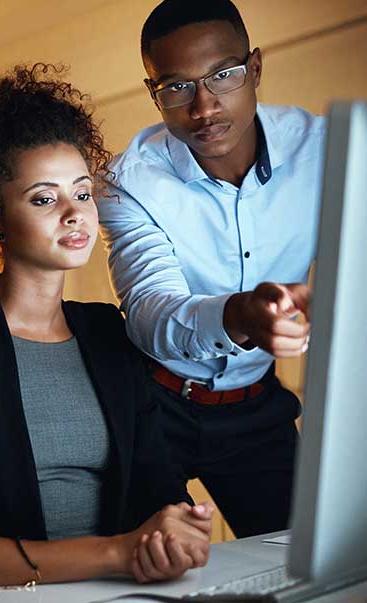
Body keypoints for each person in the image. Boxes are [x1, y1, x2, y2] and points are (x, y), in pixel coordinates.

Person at [0, 63, 213, 600]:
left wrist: (177, 532)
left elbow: (158, 494)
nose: (75, 214)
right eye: (45, 199)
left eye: (82, 192)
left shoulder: (107, 334)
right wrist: (118, 552)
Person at [98, 0, 322, 539]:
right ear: (154, 92)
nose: (203, 107)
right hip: (152, 405)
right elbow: (149, 313)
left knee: (303, 561)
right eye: (176, 87)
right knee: (146, 568)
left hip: (256, 403)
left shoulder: (327, 149)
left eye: (223, 75)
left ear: (257, 69)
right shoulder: (126, 181)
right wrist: (241, 314)